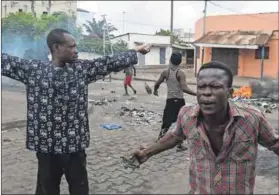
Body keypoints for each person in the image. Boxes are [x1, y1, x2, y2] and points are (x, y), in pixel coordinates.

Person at [1, 28, 151, 195]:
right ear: (56, 47)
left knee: (79, 188)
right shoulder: (34, 70)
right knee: (46, 190)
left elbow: (108, 62)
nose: (76, 50)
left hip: (74, 147)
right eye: (71, 47)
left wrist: (136, 50)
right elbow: (4, 61)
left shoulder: (81, 70)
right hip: (46, 148)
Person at [133, 61, 279, 194]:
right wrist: (148, 152)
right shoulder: (186, 114)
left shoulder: (252, 118)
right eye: (201, 87)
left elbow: (275, 143)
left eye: (215, 86)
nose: (206, 92)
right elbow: (175, 136)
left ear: (230, 92)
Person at [153, 52, 196, 151]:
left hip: (170, 100)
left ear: (170, 60)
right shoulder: (180, 73)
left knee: (166, 121)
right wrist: (196, 94)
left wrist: (155, 90)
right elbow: (184, 88)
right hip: (179, 101)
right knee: (182, 122)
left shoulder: (165, 72)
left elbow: (157, 83)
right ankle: (179, 145)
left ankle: (160, 140)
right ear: (180, 62)